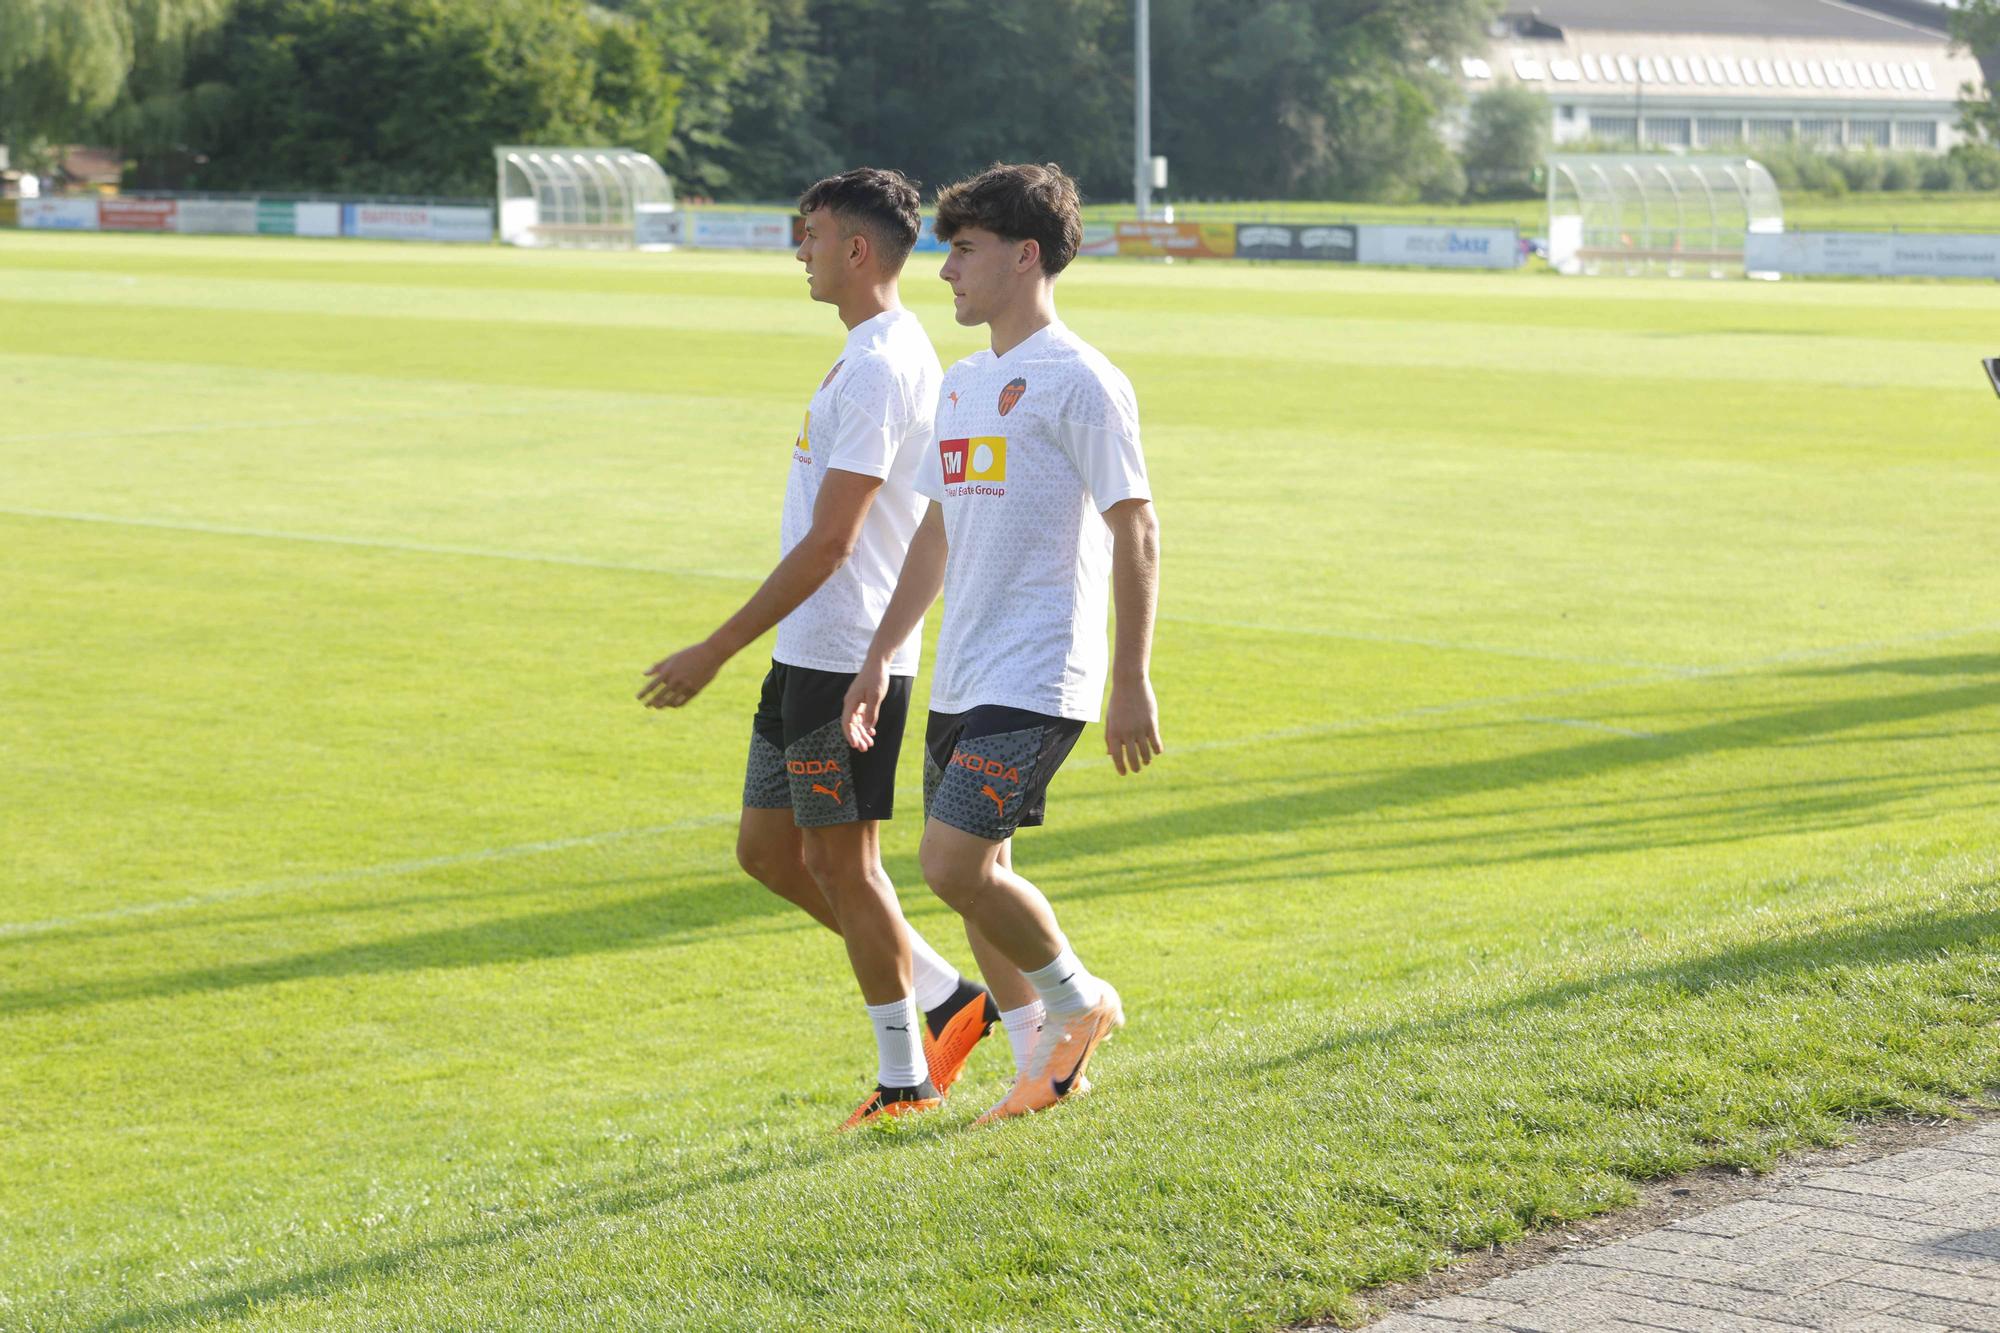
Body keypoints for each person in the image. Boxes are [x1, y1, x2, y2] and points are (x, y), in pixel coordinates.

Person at [638, 168, 1002, 1130]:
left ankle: (903, 1078)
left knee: (848, 864)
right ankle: (944, 992)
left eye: (811, 234)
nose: (798, 249)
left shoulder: (883, 365)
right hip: (808, 652)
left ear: (856, 249)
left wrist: (713, 647)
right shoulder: (863, 355)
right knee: (769, 851)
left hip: (846, 658)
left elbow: (836, 539)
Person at [843, 162, 1163, 1125]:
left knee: (952, 864)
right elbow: (936, 532)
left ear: (1027, 256)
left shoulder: (1084, 382)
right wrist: (880, 653)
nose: (946, 271)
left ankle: (1079, 1003)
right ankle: (1042, 1066)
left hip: (1038, 671)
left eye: (966, 250)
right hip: (963, 670)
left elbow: (1136, 527)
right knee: (984, 880)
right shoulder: (964, 385)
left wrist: (1131, 679)